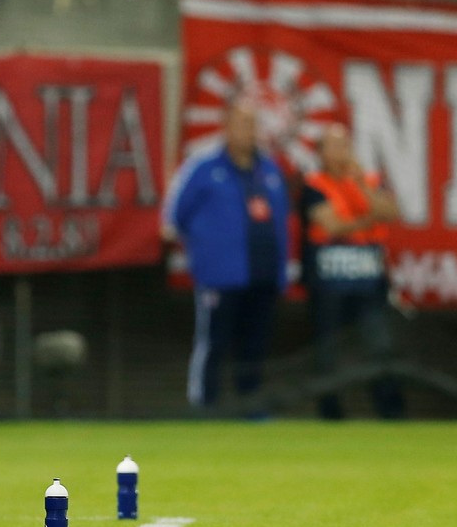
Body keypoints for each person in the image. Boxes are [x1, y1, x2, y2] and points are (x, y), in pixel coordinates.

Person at [164, 97, 289, 409]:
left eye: (252, 124)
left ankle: (250, 403)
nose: (248, 131)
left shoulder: (270, 170)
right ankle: (205, 404)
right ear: (226, 127)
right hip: (220, 275)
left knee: (256, 345)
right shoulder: (204, 167)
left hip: (262, 274)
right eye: (241, 123)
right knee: (215, 342)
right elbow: (173, 219)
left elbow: (281, 221)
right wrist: (207, 250)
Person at [300, 122, 404, 419]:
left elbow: (391, 212)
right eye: (333, 146)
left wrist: (360, 186)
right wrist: (368, 221)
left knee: (380, 347)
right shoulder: (314, 185)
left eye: (345, 145)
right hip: (329, 282)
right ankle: (330, 413)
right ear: (320, 152)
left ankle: (391, 411)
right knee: (328, 351)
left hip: (369, 283)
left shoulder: (368, 179)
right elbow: (331, 225)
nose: (341, 152)